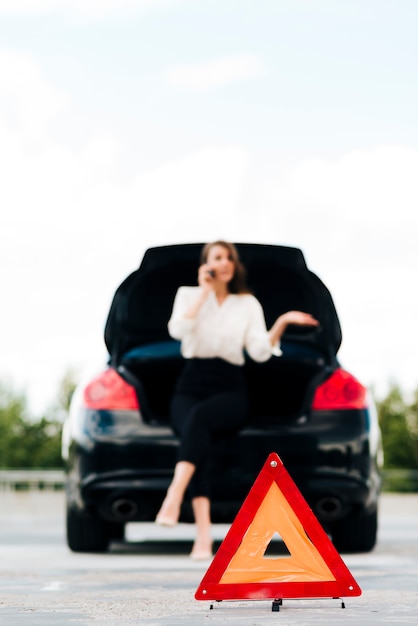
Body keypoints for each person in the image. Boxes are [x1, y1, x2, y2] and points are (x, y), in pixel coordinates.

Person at [155, 240, 319, 560]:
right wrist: (204, 291)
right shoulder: (188, 295)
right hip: (191, 383)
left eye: (230, 257)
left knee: (198, 420)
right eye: (218, 257)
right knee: (196, 433)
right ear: (206, 264)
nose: (225, 262)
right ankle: (203, 537)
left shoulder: (247, 304)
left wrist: (282, 322)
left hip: (230, 386)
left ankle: (173, 497)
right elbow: (177, 330)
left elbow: (259, 351)